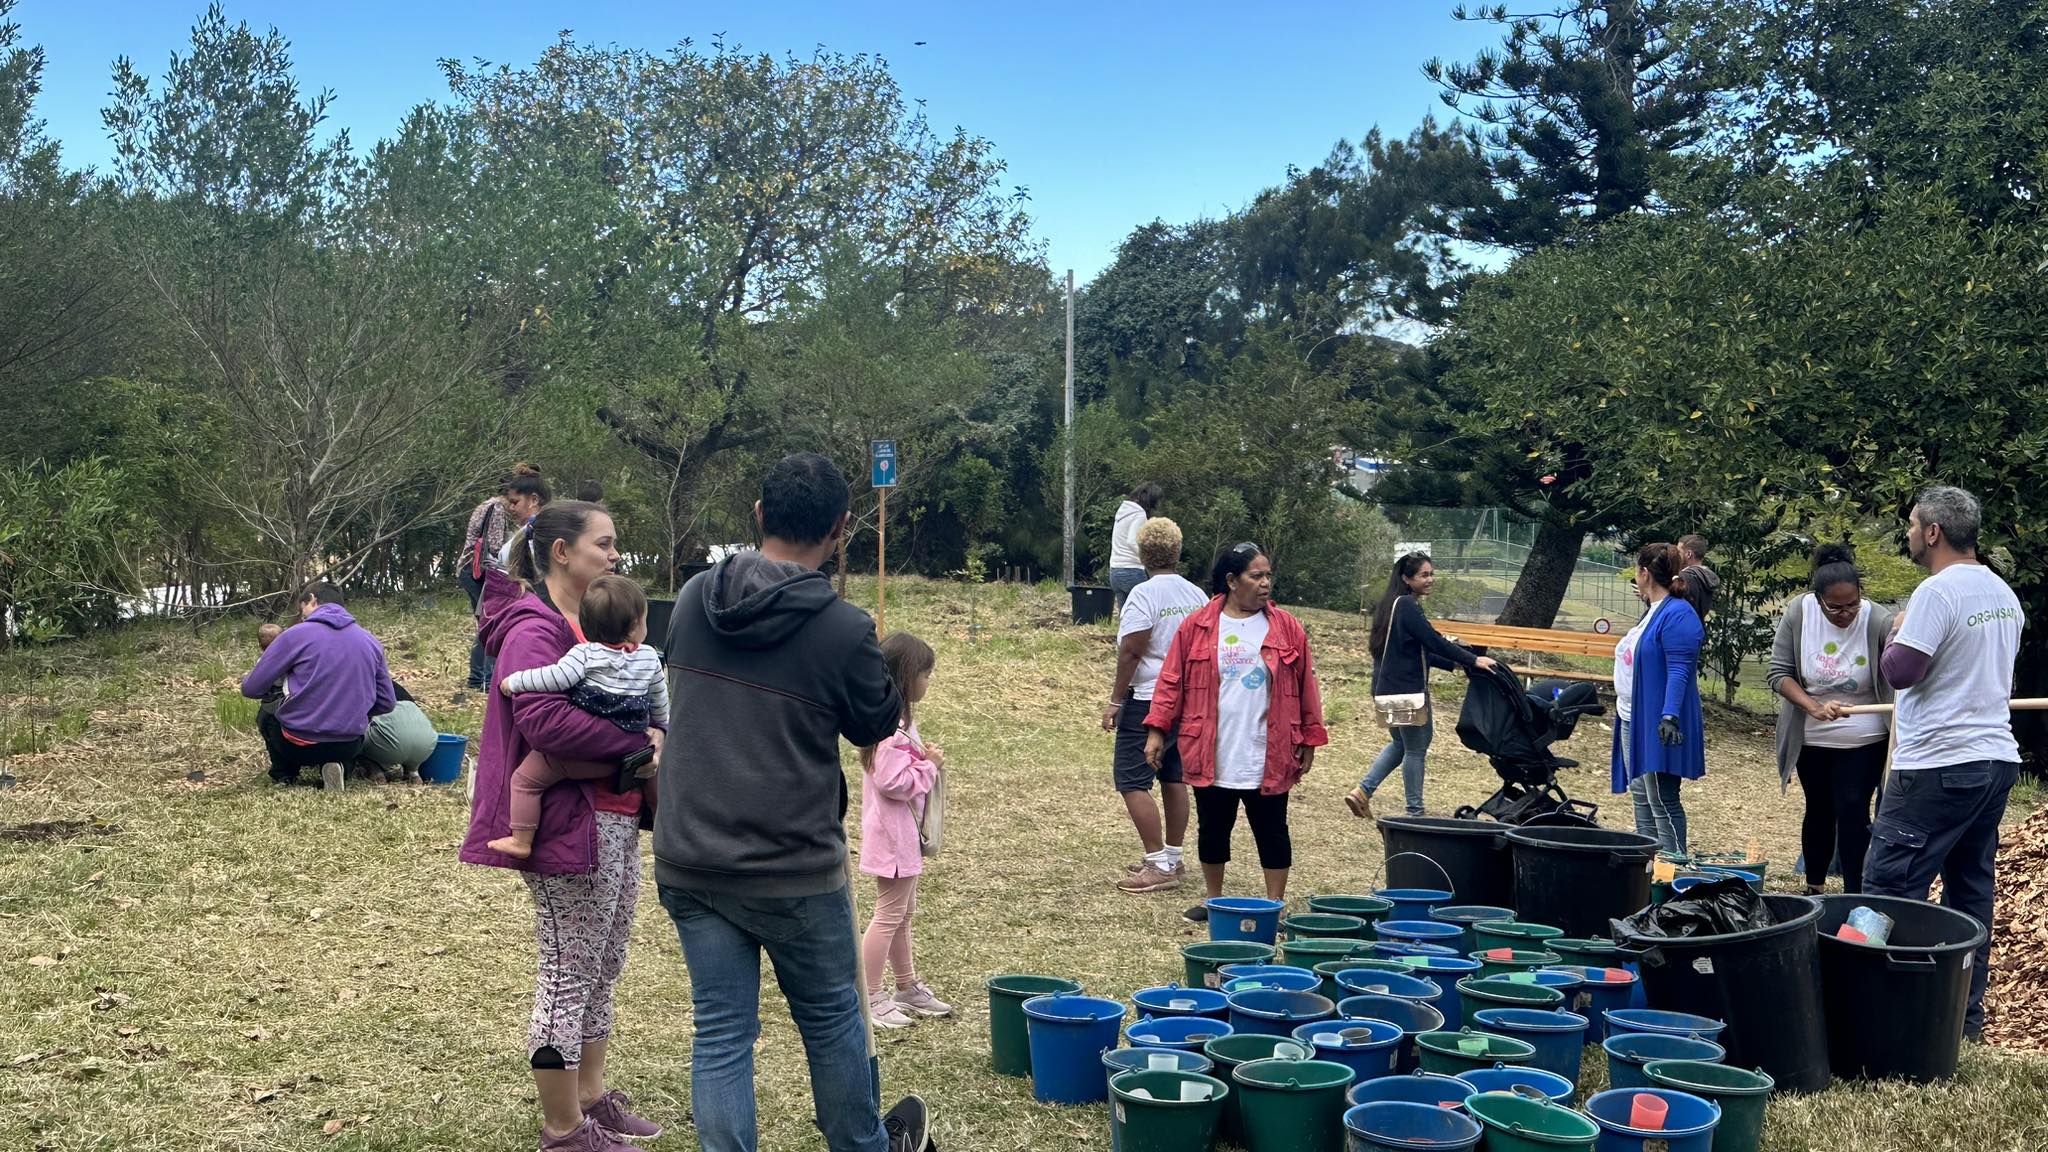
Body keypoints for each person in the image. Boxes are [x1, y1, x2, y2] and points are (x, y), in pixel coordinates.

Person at [654, 452, 931, 1152]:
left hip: (689, 856)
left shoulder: (691, 600)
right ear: (840, 530)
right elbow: (873, 724)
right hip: (791, 869)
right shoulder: (843, 629)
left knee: (721, 1030)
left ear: (757, 515)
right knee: (834, 1018)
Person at [458, 500, 666, 1152]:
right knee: (567, 971)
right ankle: (563, 1130)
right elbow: (541, 721)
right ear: (562, 552)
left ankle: (591, 1099)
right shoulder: (535, 628)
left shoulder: (593, 630)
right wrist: (635, 739)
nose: (613, 555)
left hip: (615, 815)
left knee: (603, 963)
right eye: (604, 544)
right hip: (567, 826)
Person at [1869, 485, 2023, 1040]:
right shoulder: (2003, 593)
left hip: (1937, 764)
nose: (1909, 533)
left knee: (1889, 887)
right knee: (1969, 894)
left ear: (1933, 531)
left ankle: (1885, 1016)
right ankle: (1963, 1020)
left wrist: (1895, 631)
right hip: (1995, 760)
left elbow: (1902, 671)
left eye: (1913, 524)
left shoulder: (1937, 593)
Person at [1144, 542, 1328, 923]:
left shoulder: (1287, 627)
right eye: (1255, 576)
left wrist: (1310, 737)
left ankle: (1273, 907)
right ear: (1231, 580)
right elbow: (1171, 681)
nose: (1265, 583)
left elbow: (1306, 685)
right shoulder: (1197, 626)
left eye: (1268, 575)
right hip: (1212, 748)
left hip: (1268, 749)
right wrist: (1157, 730)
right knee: (1213, 829)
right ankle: (1215, 903)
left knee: (1272, 830)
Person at [488, 574, 669, 860]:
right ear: (636, 625)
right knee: (655, 771)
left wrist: (515, 682)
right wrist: (661, 730)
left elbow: (554, 678)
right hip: (625, 760)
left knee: (525, 780)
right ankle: (663, 823)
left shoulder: (583, 654)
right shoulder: (649, 658)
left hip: (578, 758)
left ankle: (521, 839)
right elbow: (659, 702)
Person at [1766, 544, 1895, 894]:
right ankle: (1815, 888)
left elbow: (1900, 668)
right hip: (1811, 736)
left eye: (1852, 605)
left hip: (1865, 738)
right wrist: (1811, 706)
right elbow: (1779, 674)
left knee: (1853, 809)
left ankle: (1855, 892)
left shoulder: (1879, 619)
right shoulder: (1799, 612)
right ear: (1818, 598)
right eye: (1834, 607)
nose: (1844, 614)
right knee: (1819, 808)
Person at [1346, 553, 1498, 820]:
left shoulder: (1392, 605)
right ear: (1406, 578)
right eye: (1424, 575)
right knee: (1416, 747)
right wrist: (1472, 659)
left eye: (1431, 574)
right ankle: (1415, 812)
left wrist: (1458, 665)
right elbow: (1433, 641)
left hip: (1386, 688)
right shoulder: (1406, 605)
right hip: (1406, 691)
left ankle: (1363, 791)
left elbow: (1417, 649)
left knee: (1400, 744)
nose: (1430, 580)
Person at [1102, 517, 1207, 894]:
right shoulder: (1196, 595)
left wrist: (1116, 699)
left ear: (1142, 553)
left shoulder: (1144, 595)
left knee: (1131, 780)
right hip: (1187, 699)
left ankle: (1156, 862)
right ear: (1177, 552)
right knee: (1174, 777)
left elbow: (1131, 650)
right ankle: (1173, 857)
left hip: (1148, 698)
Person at [858, 632, 950, 1031]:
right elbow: (892, 782)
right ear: (907, 675)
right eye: (926, 674)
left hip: (904, 837)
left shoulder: (899, 721)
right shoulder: (889, 727)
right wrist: (929, 766)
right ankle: (870, 994)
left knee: (903, 913)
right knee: (889, 915)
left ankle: (906, 985)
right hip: (893, 838)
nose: (929, 682)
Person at [241, 582, 396, 791]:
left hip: (297, 745)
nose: (302, 615)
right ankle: (342, 766)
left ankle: (285, 773)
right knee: (344, 737)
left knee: (267, 709)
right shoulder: (370, 641)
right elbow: (386, 703)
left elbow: (252, 689)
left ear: (313, 600)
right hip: (349, 743)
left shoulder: (294, 635)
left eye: (302, 608)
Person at [1611, 543, 1705, 855]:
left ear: (1645, 573)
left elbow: (1679, 670)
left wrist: (1669, 716)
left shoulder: (1679, 614)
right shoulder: (1652, 610)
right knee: (1641, 793)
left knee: (1661, 798)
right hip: (1631, 715)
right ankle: (1649, 864)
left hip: (1656, 719)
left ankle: (1674, 861)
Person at [462, 465, 551, 690]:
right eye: (510, 501)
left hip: (521, 601)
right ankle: (486, 681)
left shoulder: (541, 532)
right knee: (489, 627)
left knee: (488, 626)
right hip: (489, 577)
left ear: (533, 500)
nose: (511, 508)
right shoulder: (520, 526)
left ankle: (487, 680)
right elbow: (495, 547)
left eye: (515, 502)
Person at [358, 680, 438, 782]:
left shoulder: (361, 684)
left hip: (390, 746)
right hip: (427, 745)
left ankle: (375, 771)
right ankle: (413, 772)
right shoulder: (390, 684)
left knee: (353, 735)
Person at [1107, 482, 1163, 610]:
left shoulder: (1123, 512)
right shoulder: (1139, 514)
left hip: (1115, 572)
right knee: (1147, 610)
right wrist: (1147, 559)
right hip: (1132, 571)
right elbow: (1132, 541)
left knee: (1126, 618)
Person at [1674, 534, 1719, 622]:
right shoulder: (1705, 576)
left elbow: (1670, 605)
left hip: (1681, 628)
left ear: (1688, 554)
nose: (1676, 555)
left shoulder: (1684, 577)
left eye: (1678, 552)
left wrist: (1647, 596)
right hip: (1697, 627)